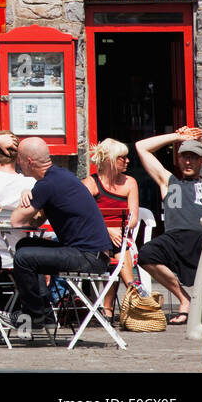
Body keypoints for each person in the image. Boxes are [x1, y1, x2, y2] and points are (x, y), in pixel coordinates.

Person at [8, 138, 114, 337]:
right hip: (93, 253)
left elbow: (16, 221)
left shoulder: (47, 184)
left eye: (19, 159)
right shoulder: (60, 176)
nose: (17, 163)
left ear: (29, 161)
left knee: (23, 258)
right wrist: (30, 193)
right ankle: (45, 314)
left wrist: (28, 193)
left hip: (88, 257)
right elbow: (37, 221)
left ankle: (33, 317)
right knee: (25, 245)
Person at [133, 126, 202, 325]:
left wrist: (201, 140)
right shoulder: (168, 182)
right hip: (174, 239)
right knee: (146, 254)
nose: (188, 161)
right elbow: (142, 147)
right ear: (178, 159)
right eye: (184, 156)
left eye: (193, 157)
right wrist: (178, 137)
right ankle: (185, 300)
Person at [82, 137, 141, 319]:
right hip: (97, 235)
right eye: (122, 157)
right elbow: (84, 216)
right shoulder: (90, 183)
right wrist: (107, 230)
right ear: (109, 160)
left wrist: (120, 231)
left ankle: (109, 308)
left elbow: (133, 218)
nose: (127, 161)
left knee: (120, 247)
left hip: (122, 235)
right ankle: (134, 294)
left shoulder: (130, 182)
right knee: (112, 246)